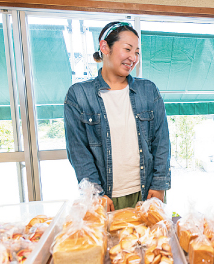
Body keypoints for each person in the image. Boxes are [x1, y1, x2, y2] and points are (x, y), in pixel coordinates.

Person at [64, 21, 171, 211]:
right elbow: (78, 151)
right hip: (107, 197)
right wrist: (96, 194)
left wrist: (159, 184)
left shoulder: (148, 90)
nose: (133, 57)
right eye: (128, 49)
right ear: (105, 47)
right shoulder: (79, 94)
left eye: (137, 52)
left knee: (152, 240)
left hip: (147, 192)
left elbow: (161, 142)